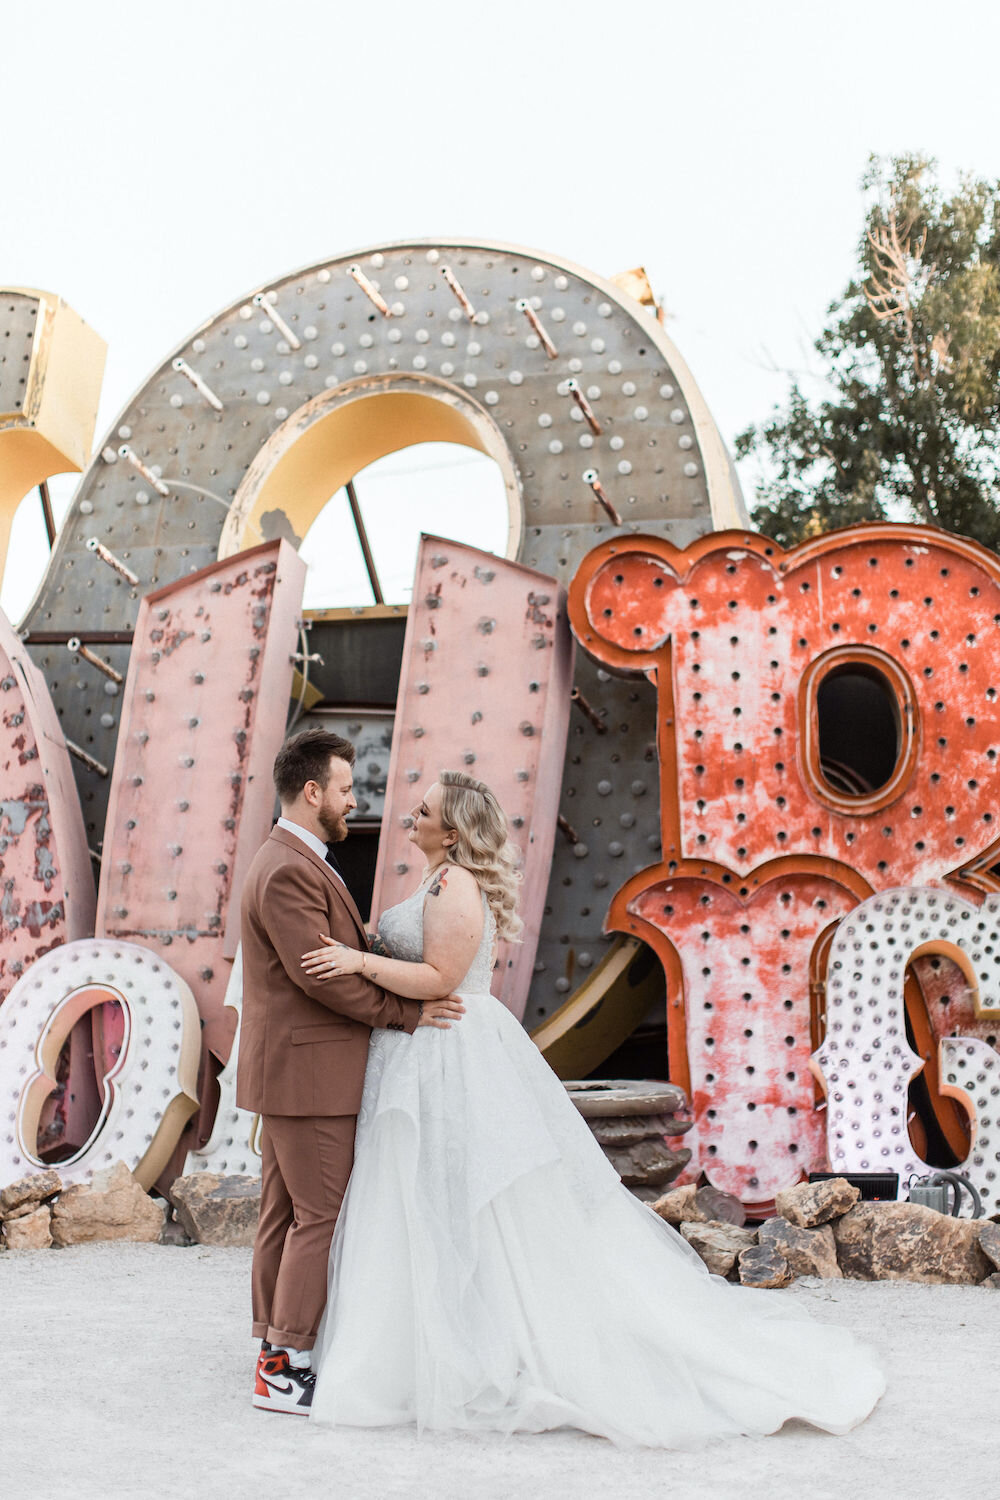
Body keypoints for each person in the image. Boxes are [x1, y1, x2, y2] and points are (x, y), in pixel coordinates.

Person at [300, 770, 886, 1446]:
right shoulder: (437, 881)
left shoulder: (456, 886)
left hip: (451, 1057)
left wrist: (356, 962)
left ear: (453, 832)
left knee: (474, 1205)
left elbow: (439, 979)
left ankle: (471, 1348)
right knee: (427, 1201)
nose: (411, 814)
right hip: (425, 1054)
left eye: (425, 809)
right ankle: (430, 1345)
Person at [236, 729, 464, 1416]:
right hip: (310, 1073)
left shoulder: (299, 859)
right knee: (321, 1216)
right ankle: (285, 1366)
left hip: (296, 1071)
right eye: (343, 789)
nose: (352, 801)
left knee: (284, 1214)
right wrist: (408, 1013)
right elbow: (321, 980)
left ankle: (275, 1345)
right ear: (312, 792)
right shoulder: (286, 869)